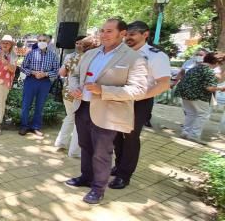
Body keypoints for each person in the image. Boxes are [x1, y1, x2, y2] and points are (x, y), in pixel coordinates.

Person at [65, 18, 148, 204]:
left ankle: (98, 188)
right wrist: (74, 88)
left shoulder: (134, 58)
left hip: (107, 112)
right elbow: (75, 75)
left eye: (109, 31)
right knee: (85, 146)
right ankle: (86, 177)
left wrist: (103, 90)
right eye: (102, 30)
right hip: (83, 107)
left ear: (122, 33)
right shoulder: (91, 53)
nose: (104, 34)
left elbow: (139, 90)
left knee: (101, 152)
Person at [109, 21, 172, 189]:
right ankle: (119, 165)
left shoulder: (156, 56)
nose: (128, 38)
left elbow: (164, 83)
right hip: (117, 98)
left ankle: (124, 174)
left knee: (130, 137)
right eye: (126, 34)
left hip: (140, 101)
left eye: (132, 34)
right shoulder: (120, 52)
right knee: (115, 135)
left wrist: (138, 96)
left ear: (145, 34)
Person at [54, 35, 98, 158]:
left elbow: (62, 73)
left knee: (70, 117)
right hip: (83, 93)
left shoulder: (70, 56)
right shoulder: (92, 58)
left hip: (68, 91)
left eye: (80, 44)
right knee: (80, 122)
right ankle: (75, 151)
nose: (79, 45)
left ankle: (61, 142)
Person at [174, 52, 225, 144]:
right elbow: (209, 87)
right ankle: (194, 135)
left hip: (184, 93)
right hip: (198, 96)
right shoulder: (209, 71)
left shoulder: (195, 67)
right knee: (202, 115)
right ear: (216, 63)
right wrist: (221, 88)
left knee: (191, 114)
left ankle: (185, 133)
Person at [18, 34, 60, 136]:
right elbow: (23, 67)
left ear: (48, 42)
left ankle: (36, 127)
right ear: (37, 41)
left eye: (44, 40)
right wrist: (33, 72)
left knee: (40, 105)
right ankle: (24, 126)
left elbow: (57, 71)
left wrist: (45, 74)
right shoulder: (31, 54)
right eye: (40, 40)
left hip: (44, 82)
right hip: (31, 80)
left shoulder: (53, 55)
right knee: (26, 104)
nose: (41, 42)